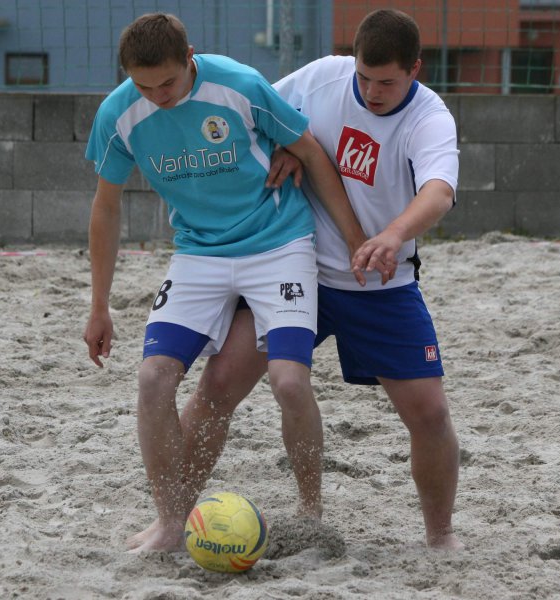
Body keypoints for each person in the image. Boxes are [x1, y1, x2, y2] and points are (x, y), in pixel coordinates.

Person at [82, 13, 379, 553]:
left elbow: (309, 149)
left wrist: (357, 238)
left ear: (190, 56)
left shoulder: (237, 84)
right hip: (199, 253)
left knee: (290, 382)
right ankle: (172, 523)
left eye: (168, 83)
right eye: (143, 86)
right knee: (153, 379)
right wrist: (99, 305)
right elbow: (105, 208)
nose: (158, 96)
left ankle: (310, 512)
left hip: (279, 245)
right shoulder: (119, 113)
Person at [171, 8, 464, 550]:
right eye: (365, 77)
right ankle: (171, 519)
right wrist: (285, 143)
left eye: (388, 82)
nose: (373, 91)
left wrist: (393, 235)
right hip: (290, 265)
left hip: (379, 283)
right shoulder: (320, 78)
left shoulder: (429, 118)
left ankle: (440, 537)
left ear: (416, 70)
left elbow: (439, 191)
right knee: (216, 388)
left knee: (429, 413)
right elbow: (255, 114)